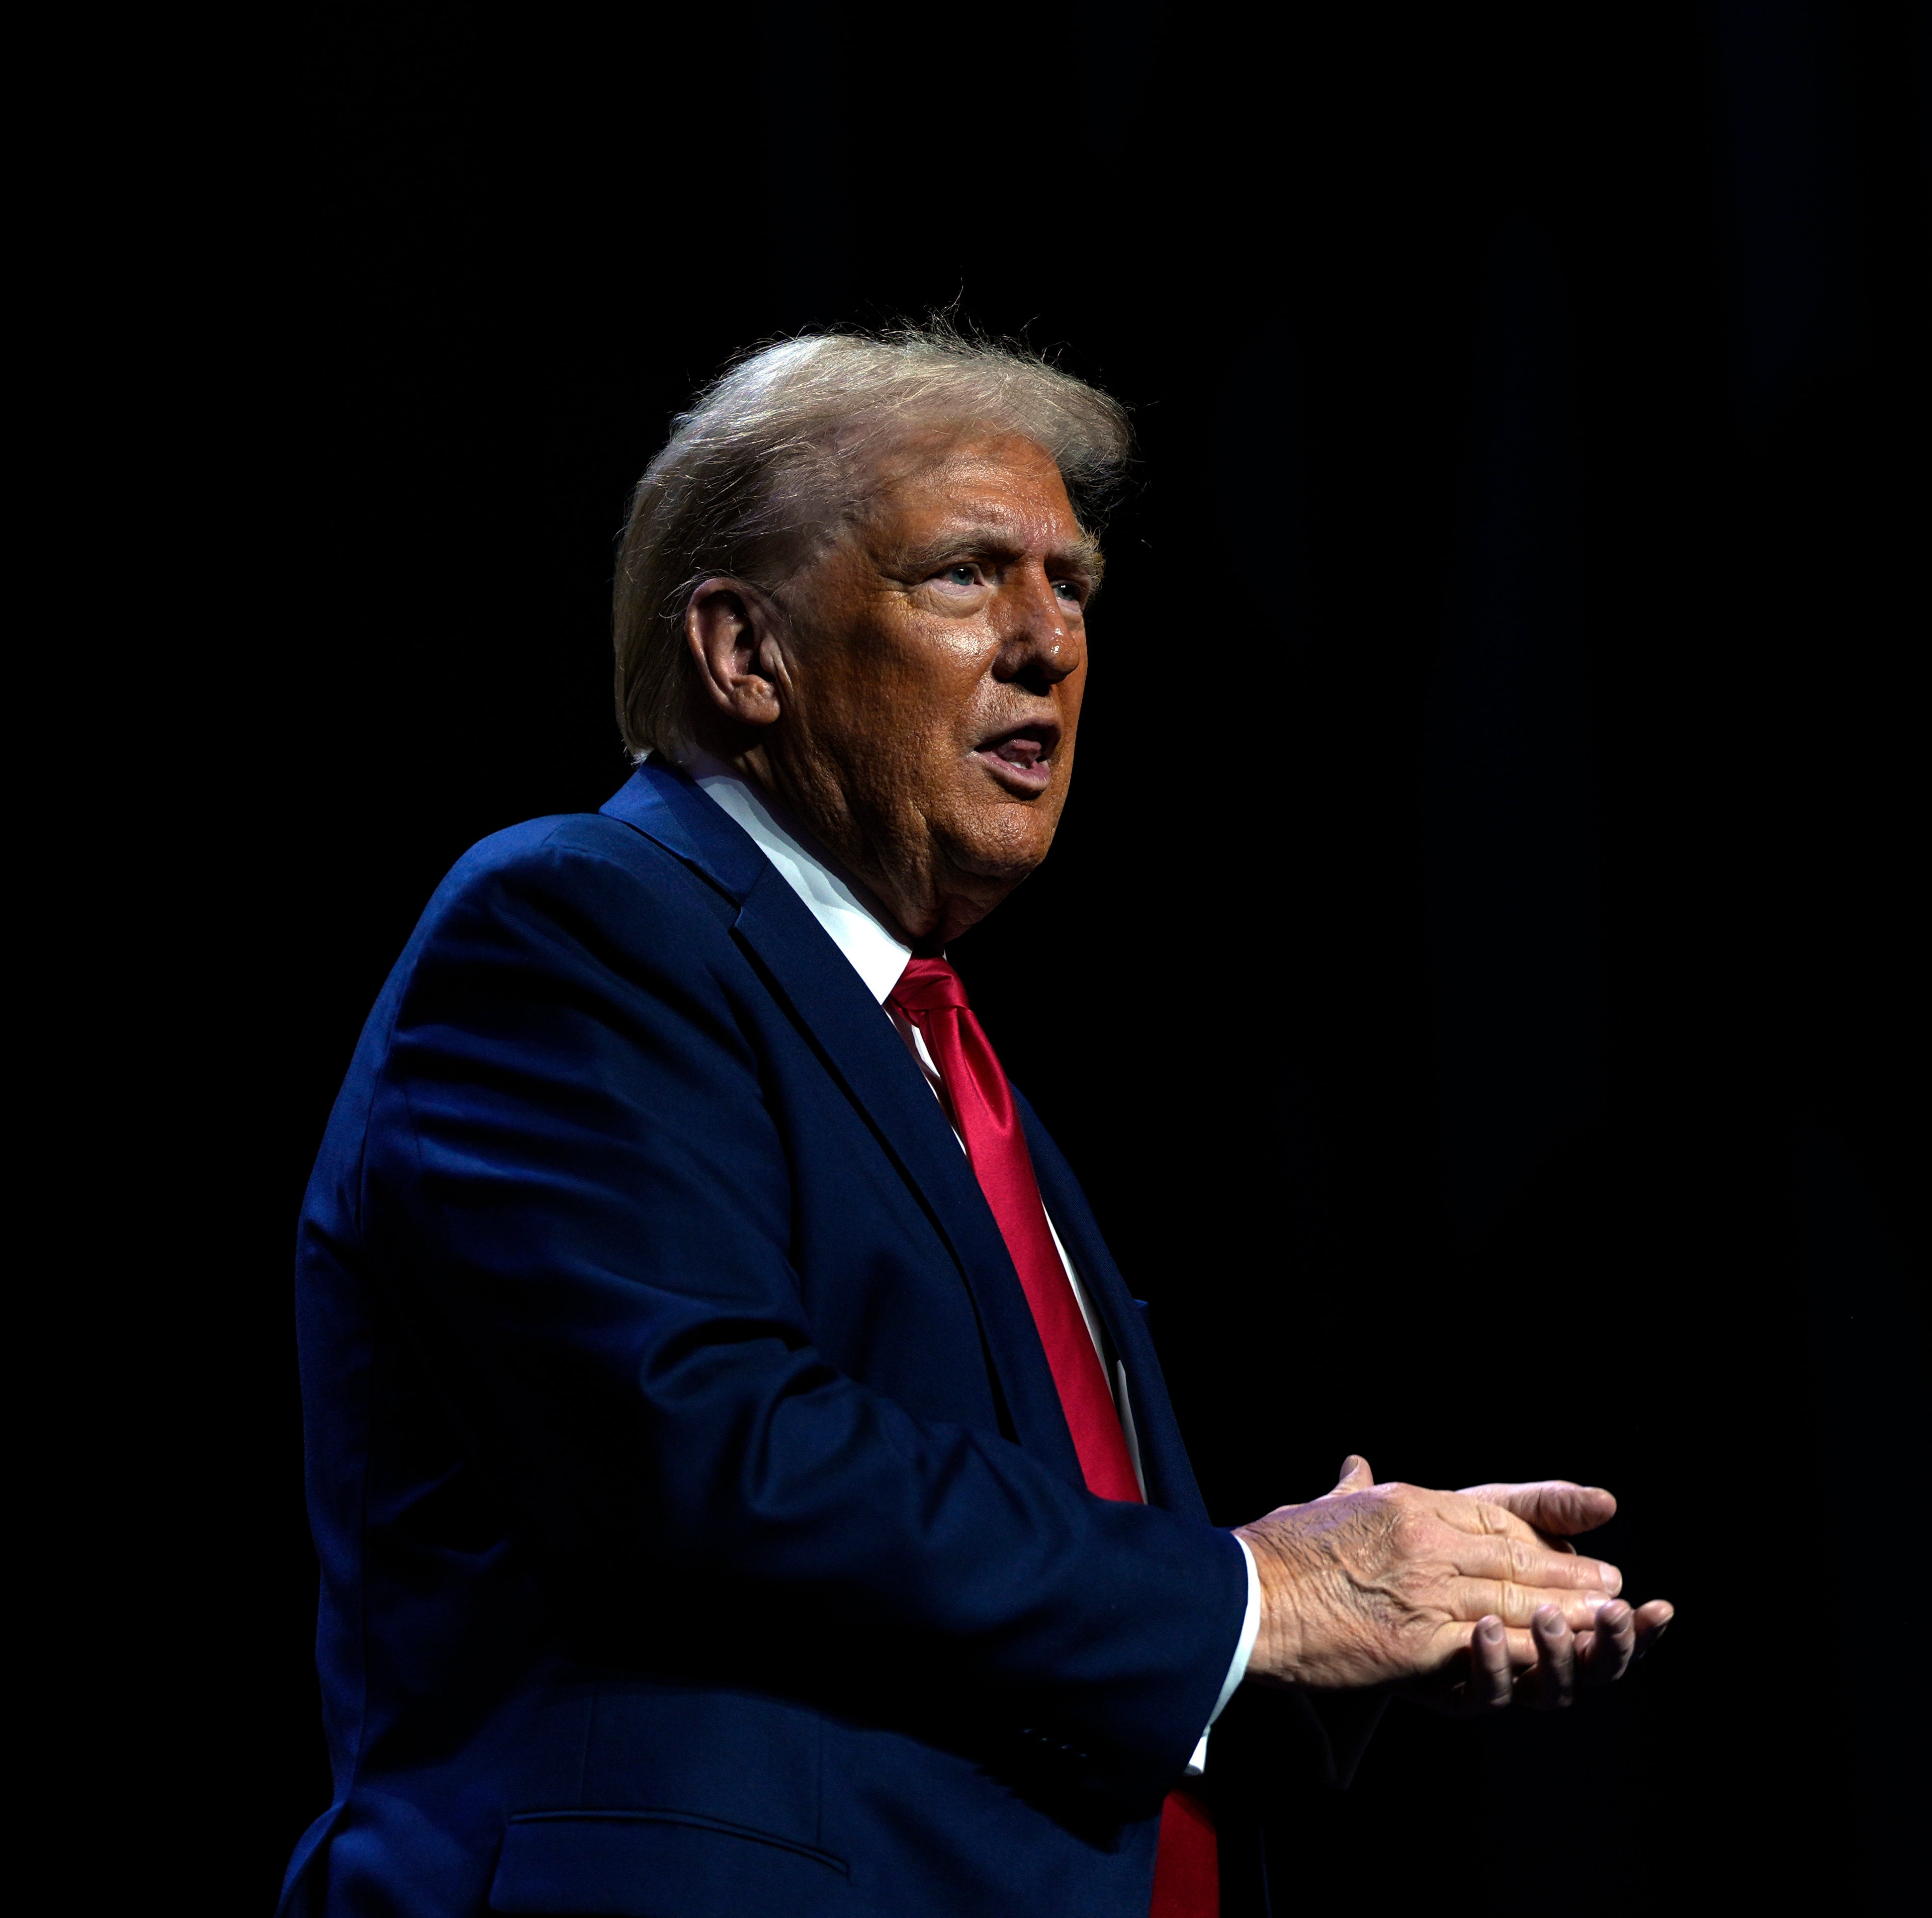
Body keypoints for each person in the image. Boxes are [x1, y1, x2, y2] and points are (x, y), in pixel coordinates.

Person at [279, 328, 1671, 1917]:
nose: (1045, 644)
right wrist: (1251, 1590)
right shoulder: (577, 925)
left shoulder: (941, 1053)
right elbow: (711, 1448)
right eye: (961, 575)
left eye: (1070, 585)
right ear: (746, 652)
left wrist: (1289, 1658)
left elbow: (958, 1603)